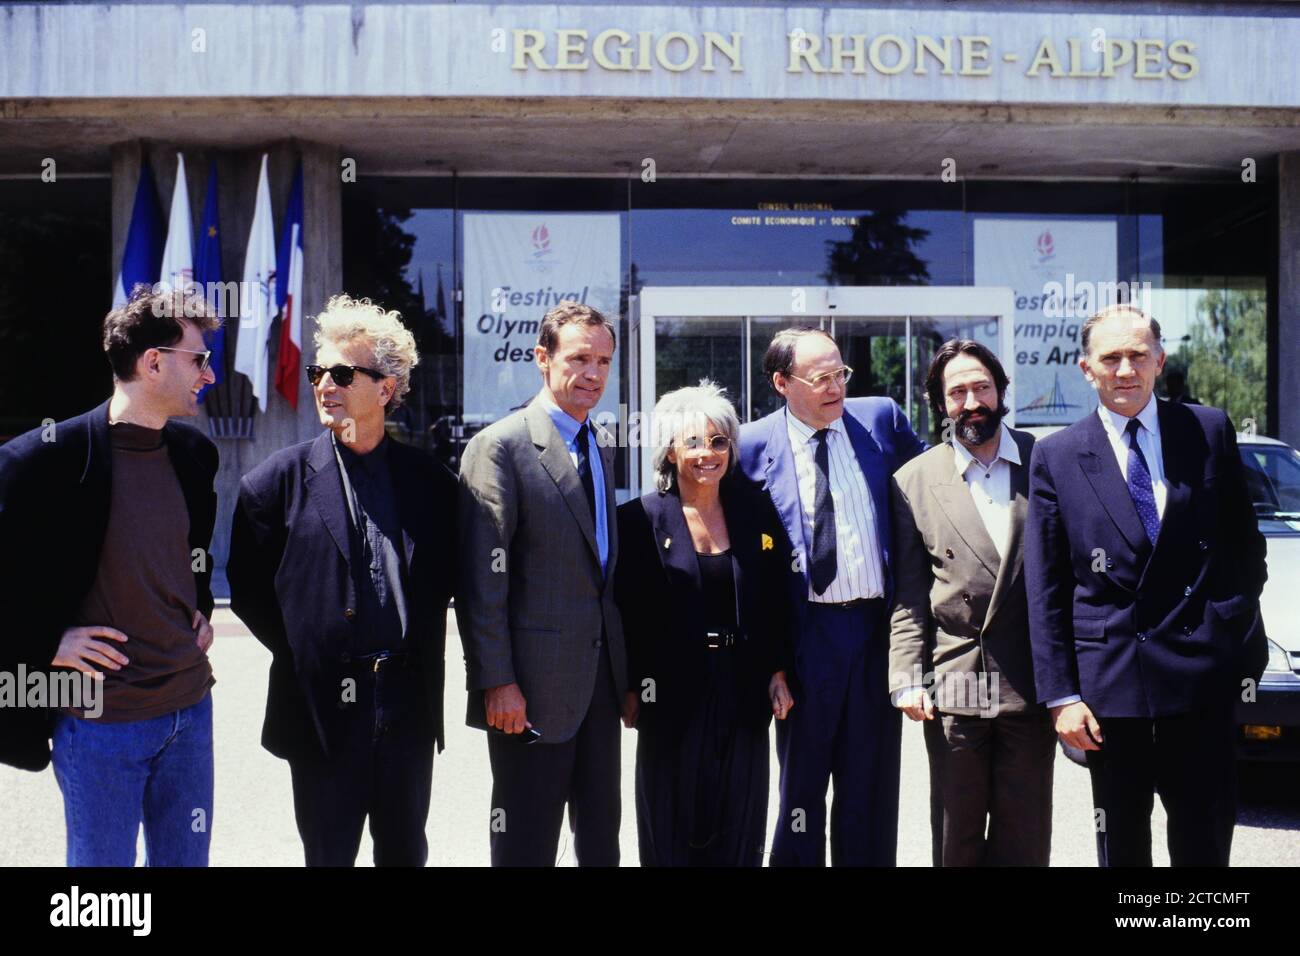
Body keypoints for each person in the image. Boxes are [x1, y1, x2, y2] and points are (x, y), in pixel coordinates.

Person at [1025, 303, 1268, 867]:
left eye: (1138, 355)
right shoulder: (1057, 457)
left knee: (1205, 845)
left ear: (1159, 361)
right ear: (1087, 369)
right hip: (1111, 691)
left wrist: (1226, 628)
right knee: (1123, 849)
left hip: (1201, 681)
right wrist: (1062, 696)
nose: (1126, 369)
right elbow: (1047, 588)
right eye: (1111, 357)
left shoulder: (1207, 429)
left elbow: (1245, 549)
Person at [228, 294, 457, 866]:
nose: (324, 384)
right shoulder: (271, 485)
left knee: (405, 853)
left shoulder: (432, 485)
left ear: (386, 388)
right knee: (328, 857)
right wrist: (312, 650)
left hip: (406, 702)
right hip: (322, 707)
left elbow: (450, 578)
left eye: (342, 373)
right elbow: (251, 588)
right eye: (317, 372)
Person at [0, 284, 220, 866]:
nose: (210, 375)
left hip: (190, 712)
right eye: (199, 359)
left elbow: (193, 550)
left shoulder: (196, 456)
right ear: (153, 362)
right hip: (99, 724)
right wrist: (46, 643)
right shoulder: (42, 461)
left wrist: (199, 606)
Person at [737, 326, 925, 867]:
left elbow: (935, 486)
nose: (834, 387)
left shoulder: (881, 420)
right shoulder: (750, 446)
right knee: (801, 788)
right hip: (804, 640)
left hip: (874, 632)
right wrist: (767, 661)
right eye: (819, 378)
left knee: (870, 786)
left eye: (839, 373)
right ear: (781, 382)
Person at [457, 301, 630, 866]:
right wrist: (497, 681)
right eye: (580, 358)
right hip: (528, 694)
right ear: (541, 358)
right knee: (526, 844)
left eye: (604, 361)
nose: (594, 374)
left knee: (601, 842)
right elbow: (483, 580)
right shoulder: (500, 447)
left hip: (599, 688)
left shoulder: (599, 444)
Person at [889, 339, 1054, 866]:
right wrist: (907, 677)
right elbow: (910, 595)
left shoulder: (1045, 462)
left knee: (1024, 834)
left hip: (1030, 677)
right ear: (939, 403)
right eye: (956, 391)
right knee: (955, 834)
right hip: (956, 677)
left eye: (981, 387)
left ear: (1002, 392)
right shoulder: (912, 481)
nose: (971, 402)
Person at [616, 381, 796, 866]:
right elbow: (626, 613)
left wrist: (778, 671)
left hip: (742, 687)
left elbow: (777, 596)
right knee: (671, 825)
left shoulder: (755, 510)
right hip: (669, 694)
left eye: (718, 442)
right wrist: (632, 687)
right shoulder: (638, 519)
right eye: (693, 442)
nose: (707, 453)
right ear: (670, 451)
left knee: (740, 823)